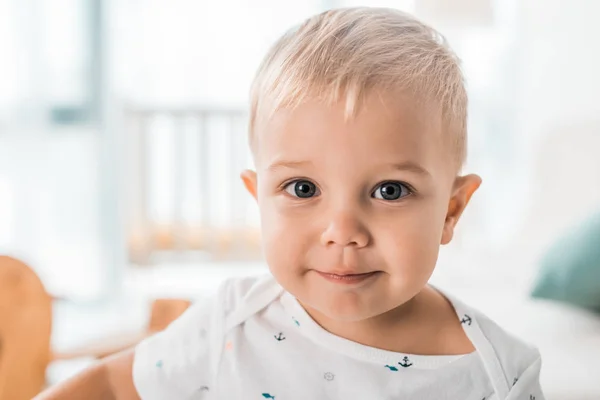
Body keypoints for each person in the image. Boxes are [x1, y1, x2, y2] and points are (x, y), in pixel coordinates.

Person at [37, 7, 544, 400]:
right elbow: (111, 386)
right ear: (258, 197)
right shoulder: (232, 322)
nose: (342, 231)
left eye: (389, 190)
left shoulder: (498, 373)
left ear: (452, 210)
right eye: (303, 189)